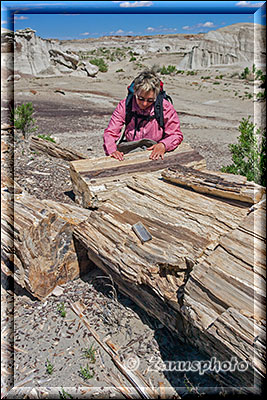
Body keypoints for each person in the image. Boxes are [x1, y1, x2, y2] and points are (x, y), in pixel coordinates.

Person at [103, 68, 183, 161]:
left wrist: (163, 145)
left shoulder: (165, 107)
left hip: (156, 149)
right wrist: (112, 151)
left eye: (150, 100)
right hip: (131, 149)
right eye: (140, 98)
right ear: (135, 92)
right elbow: (111, 132)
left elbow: (175, 134)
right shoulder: (125, 105)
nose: (144, 104)